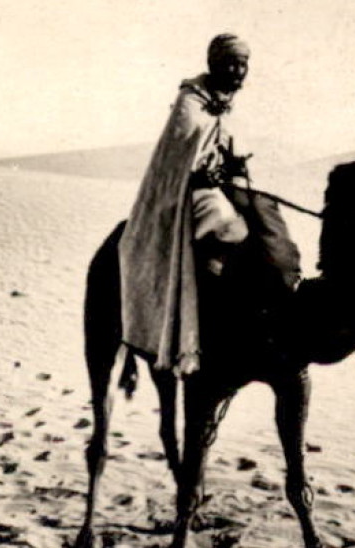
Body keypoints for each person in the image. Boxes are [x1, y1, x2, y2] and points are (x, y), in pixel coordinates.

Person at [118, 33, 302, 376]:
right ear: (213, 64)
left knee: (268, 218)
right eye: (231, 63)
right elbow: (176, 159)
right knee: (227, 229)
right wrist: (203, 175)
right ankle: (204, 324)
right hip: (188, 194)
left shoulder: (227, 103)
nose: (237, 70)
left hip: (225, 186)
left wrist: (234, 167)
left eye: (242, 64)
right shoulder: (191, 101)